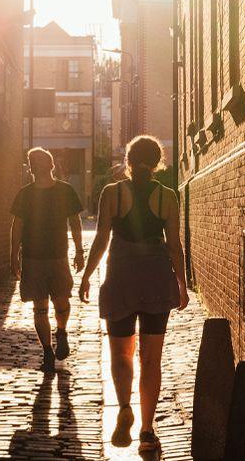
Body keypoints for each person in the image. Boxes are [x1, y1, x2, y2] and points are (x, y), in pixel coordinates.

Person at [79, 135, 189, 454]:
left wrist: (87, 275)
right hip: (156, 276)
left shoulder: (112, 193)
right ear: (158, 163)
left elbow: (100, 240)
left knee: (121, 354)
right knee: (151, 358)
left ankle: (125, 407)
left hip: (121, 275)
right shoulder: (167, 196)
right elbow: (175, 246)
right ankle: (146, 430)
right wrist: (180, 283)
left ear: (127, 160)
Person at [10, 147, 85, 372]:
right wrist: (13, 254)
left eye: (38, 161)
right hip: (33, 257)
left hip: (58, 255)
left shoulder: (65, 191)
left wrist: (80, 250)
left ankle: (61, 332)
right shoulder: (25, 194)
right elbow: (17, 225)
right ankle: (47, 352)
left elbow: (75, 222)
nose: (34, 166)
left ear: (50, 164)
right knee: (39, 307)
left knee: (61, 301)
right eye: (32, 162)